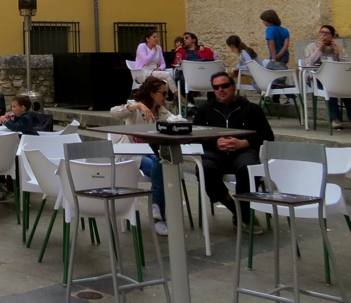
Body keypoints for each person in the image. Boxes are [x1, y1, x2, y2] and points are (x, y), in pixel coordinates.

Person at [193, 70, 275, 230]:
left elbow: (267, 135)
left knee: (248, 168)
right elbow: (195, 136)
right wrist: (215, 143)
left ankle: (243, 212)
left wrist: (243, 143)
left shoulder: (252, 109)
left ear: (233, 86)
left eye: (224, 86)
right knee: (204, 169)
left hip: (243, 152)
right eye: (216, 87)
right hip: (214, 153)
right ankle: (238, 211)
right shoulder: (204, 110)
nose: (220, 90)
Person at [109, 76, 174, 236]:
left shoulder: (163, 112)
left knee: (161, 163)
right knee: (160, 167)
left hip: (153, 152)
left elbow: (175, 121)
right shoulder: (136, 109)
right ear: (152, 94)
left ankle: (156, 207)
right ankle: (159, 218)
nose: (166, 97)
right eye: (163, 94)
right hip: (133, 153)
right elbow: (114, 112)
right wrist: (137, 105)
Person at [303, 24, 351, 130]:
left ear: (332, 36)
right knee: (329, 87)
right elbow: (309, 63)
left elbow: (348, 64)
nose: (323, 35)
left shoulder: (335, 48)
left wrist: (339, 51)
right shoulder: (311, 47)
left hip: (336, 77)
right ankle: (335, 119)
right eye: (321, 32)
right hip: (318, 78)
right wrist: (319, 49)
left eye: (327, 33)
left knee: (349, 86)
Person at [134, 29, 177, 95]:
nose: (156, 39)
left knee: (167, 80)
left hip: (154, 71)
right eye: (154, 37)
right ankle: (180, 98)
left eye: (157, 37)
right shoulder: (142, 46)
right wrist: (153, 51)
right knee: (167, 74)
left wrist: (160, 68)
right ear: (147, 39)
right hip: (143, 72)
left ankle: (165, 101)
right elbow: (146, 62)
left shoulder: (158, 48)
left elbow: (163, 63)